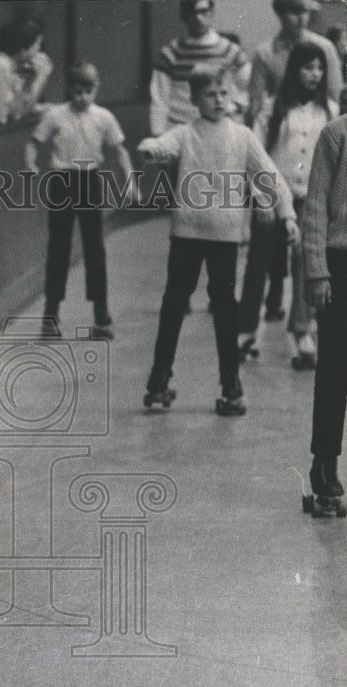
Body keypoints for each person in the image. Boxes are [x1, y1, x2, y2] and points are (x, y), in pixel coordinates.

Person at [138, 70, 299, 416]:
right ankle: (159, 378)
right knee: (174, 303)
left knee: (225, 307)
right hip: (186, 233)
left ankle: (231, 384)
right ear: (195, 100)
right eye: (210, 94)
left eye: (224, 93)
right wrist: (150, 149)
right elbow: (163, 145)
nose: (219, 100)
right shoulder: (185, 133)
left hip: (224, 236)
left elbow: (269, 175)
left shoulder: (242, 137)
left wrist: (287, 214)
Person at [26, 61, 137, 339]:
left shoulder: (103, 117)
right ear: (69, 89)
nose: (82, 97)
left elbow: (120, 150)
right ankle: (50, 318)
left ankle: (102, 317)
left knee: (94, 249)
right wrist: (30, 164)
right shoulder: (56, 115)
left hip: (89, 181)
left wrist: (130, 181)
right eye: (77, 91)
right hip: (62, 181)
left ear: (96, 88)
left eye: (88, 91)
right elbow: (34, 141)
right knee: (59, 250)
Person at [244, 41, 338, 368]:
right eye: (307, 67)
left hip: (310, 197)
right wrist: (263, 197)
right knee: (261, 262)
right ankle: (248, 329)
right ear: (294, 69)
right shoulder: (274, 107)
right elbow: (255, 156)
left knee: (304, 262)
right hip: (273, 195)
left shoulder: (328, 109)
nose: (314, 74)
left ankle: (302, 330)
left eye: (319, 68)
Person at [302, 112, 347, 509]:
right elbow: (315, 207)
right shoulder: (336, 135)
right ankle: (325, 462)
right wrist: (318, 271)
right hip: (340, 263)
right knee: (335, 367)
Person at [149, 0, 250, 136]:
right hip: (181, 129)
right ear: (184, 16)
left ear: (212, 13)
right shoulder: (171, 54)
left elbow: (249, 85)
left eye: (203, 12)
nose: (198, 18)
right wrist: (158, 136)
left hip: (219, 130)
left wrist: (235, 106)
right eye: (193, 13)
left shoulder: (229, 51)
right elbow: (159, 99)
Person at [248, 0, 342, 127]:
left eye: (305, 11)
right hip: (281, 126)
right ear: (279, 13)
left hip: (319, 124)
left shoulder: (325, 48)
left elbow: (334, 94)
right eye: (294, 12)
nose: (301, 18)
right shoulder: (265, 53)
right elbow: (256, 102)